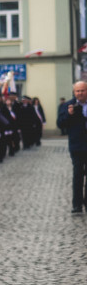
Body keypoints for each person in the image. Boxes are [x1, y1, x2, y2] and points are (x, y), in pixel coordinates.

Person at [56, 81, 87, 213]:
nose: (80, 93)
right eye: (77, 91)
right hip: (77, 146)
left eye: (83, 90)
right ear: (74, 92)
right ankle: (77, 204)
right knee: (78, 175)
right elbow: (60, 124)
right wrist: (69, 114)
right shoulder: (68, 105)